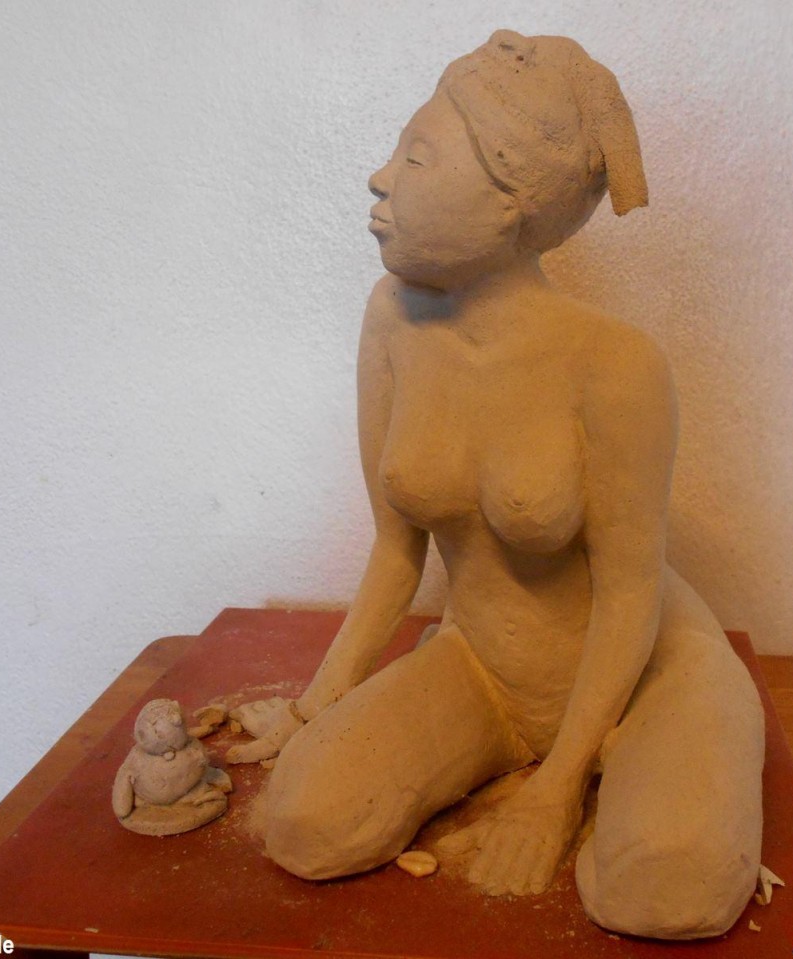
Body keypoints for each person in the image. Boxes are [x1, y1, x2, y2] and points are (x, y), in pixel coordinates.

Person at [229, 30, 765, 940]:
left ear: (512, 200)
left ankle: (627, 772)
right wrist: (315, 707)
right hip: (484, 670)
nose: (380, 178)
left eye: (417, 158)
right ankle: (544, 773)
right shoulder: (392, 320)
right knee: (306, 822)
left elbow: (629, 592)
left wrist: (557, 789)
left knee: (668, 890)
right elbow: (395, 553)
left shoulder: (614, 365)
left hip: (647, 672)